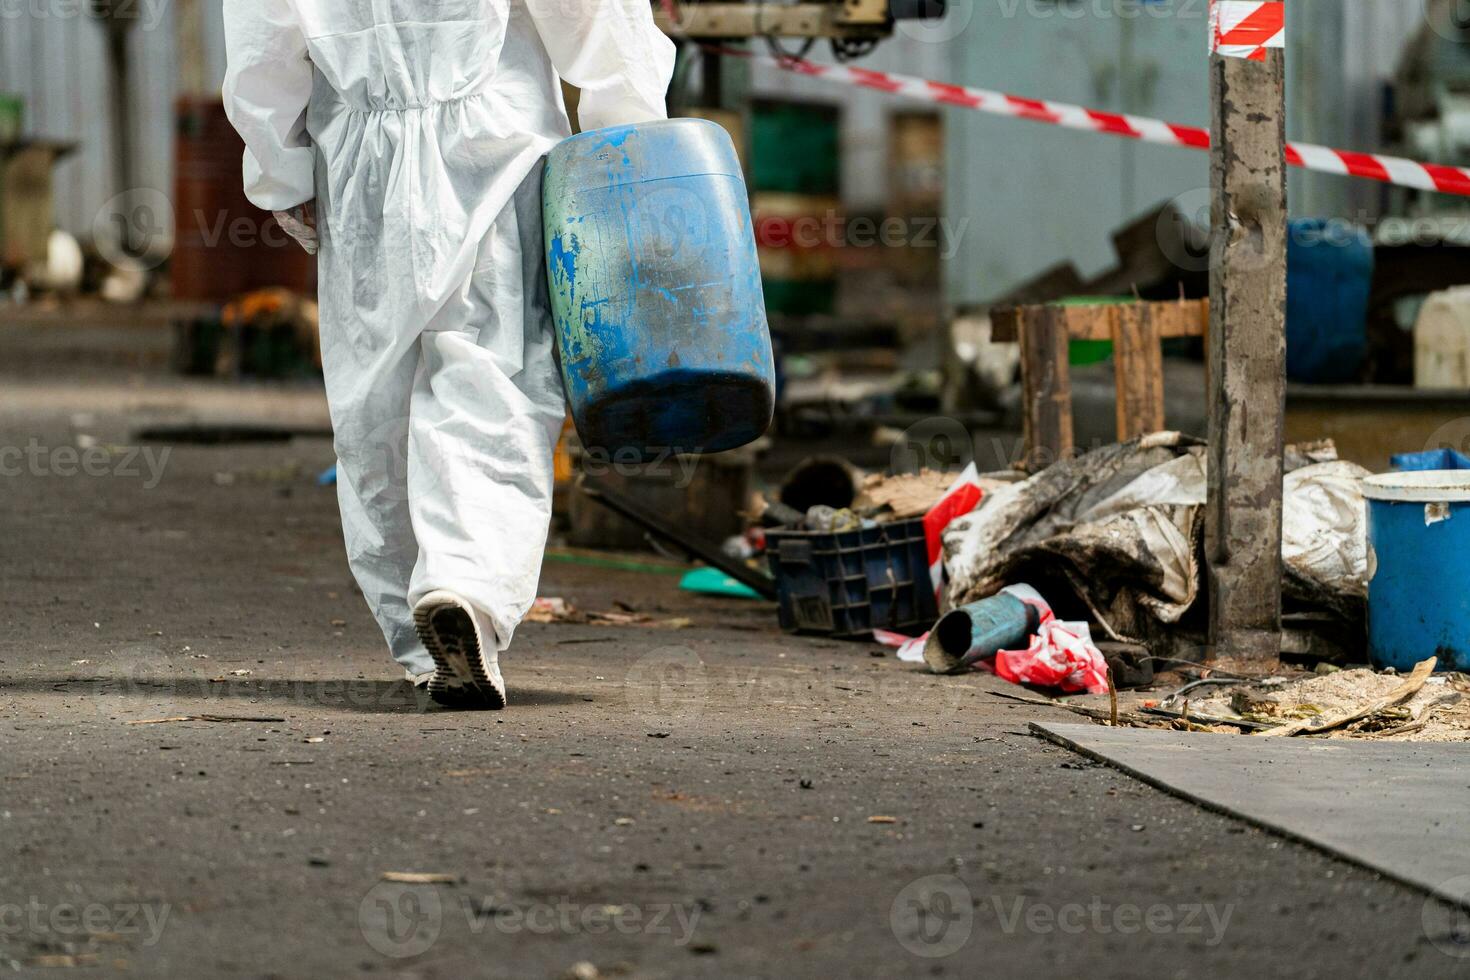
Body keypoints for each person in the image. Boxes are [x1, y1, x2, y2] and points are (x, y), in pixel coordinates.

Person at [222, 1, 676, 709]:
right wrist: (634, 137)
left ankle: (420, 637)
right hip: (494, 140)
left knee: (378, 397)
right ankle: (464, 585)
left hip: (361, 155)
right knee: (493, 372)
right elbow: (593, 16)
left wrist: (282, 170)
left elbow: (261, 43)